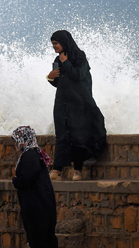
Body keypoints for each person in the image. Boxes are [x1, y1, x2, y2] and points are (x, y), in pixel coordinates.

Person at [46, 30, 107, 181]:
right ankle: (56, 170)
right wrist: (50, 77)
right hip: (62, 103)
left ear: (64, 42)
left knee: (77, 136)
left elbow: (79, 76)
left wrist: (66, 62)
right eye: (53, 44)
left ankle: (77, 170)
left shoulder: (79, 57)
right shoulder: (57, 59)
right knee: (62, 135)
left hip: (78, 103)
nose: (54, 47)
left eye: (56, 43)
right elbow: (61, 83)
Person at [11, 126, 59, 248]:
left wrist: (15, 181)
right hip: (41, 204)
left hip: (38, 207)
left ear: (24, 140)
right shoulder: (33, 153)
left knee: (39, 239)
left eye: (17, 140)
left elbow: (28, 177)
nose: (16, 144)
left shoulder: (30, 155)